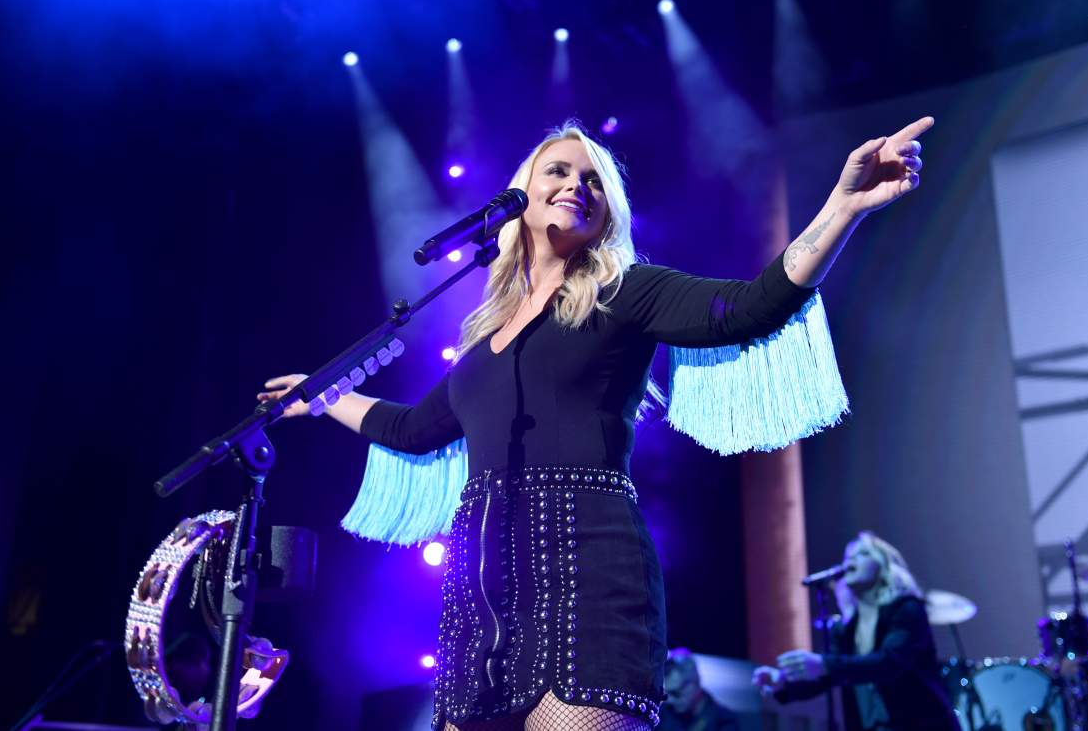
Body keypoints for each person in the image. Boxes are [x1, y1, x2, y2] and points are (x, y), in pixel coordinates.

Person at [259, 118, 933, 730]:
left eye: (593, 181)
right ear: (520, 194)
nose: (576, 184)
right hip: (483, 596)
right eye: (559, 170)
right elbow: (412, 429)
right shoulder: (481, 344)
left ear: (608, 210)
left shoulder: (624, 292)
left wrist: (843, 206)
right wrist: (324, 398)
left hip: (591, 573)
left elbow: (750, 305)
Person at [752, 532, 958, 731]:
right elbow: (827, 677)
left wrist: (824, 664)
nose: (851, 561)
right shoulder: (845, 630)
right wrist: (783, 683)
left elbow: (889, 663)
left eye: (863, 554)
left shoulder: (906, 610)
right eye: (848, 557)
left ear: (883, 567)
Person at [658, 649, 739, 731]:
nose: (670, 700)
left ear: (693, 684)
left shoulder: (724, 721)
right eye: (666, 694)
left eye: (675, 693)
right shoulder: (663, 715)